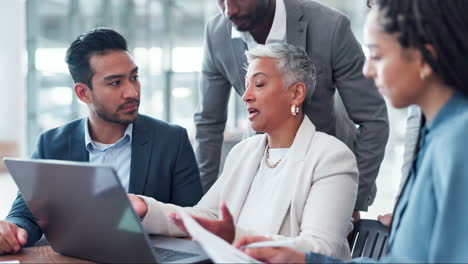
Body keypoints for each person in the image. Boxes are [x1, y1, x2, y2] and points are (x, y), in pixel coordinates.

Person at [235, 0, 468, 262]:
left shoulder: (457, 143)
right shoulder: (438, 138)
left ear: (424, 58)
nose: (368, 71)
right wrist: (305, 260)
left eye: (377, 56)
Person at [130, 43, 359, 259]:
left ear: (296, 93)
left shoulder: (332, 158)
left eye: (258, 84)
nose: (246, 95)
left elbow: (318, 249)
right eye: (247, 84)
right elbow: (207, 216)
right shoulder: (243, 153)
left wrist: (236, 238)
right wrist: (146, 207)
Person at [0, 28, 203, 255]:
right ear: (83, 93)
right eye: (116, 83)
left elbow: (194, 218)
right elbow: (26, 213)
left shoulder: (171, 140)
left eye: (134, 78)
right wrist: (11, 230)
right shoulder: (52, 144)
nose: (132, 92)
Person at [194, 0, 389, 219]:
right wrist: (203, 207)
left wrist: (351, 198)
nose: (229, 10)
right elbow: (208, 123)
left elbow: (372, 118)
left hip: (324, 173)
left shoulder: (329, 27)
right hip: (262, 171)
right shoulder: (217, 32)